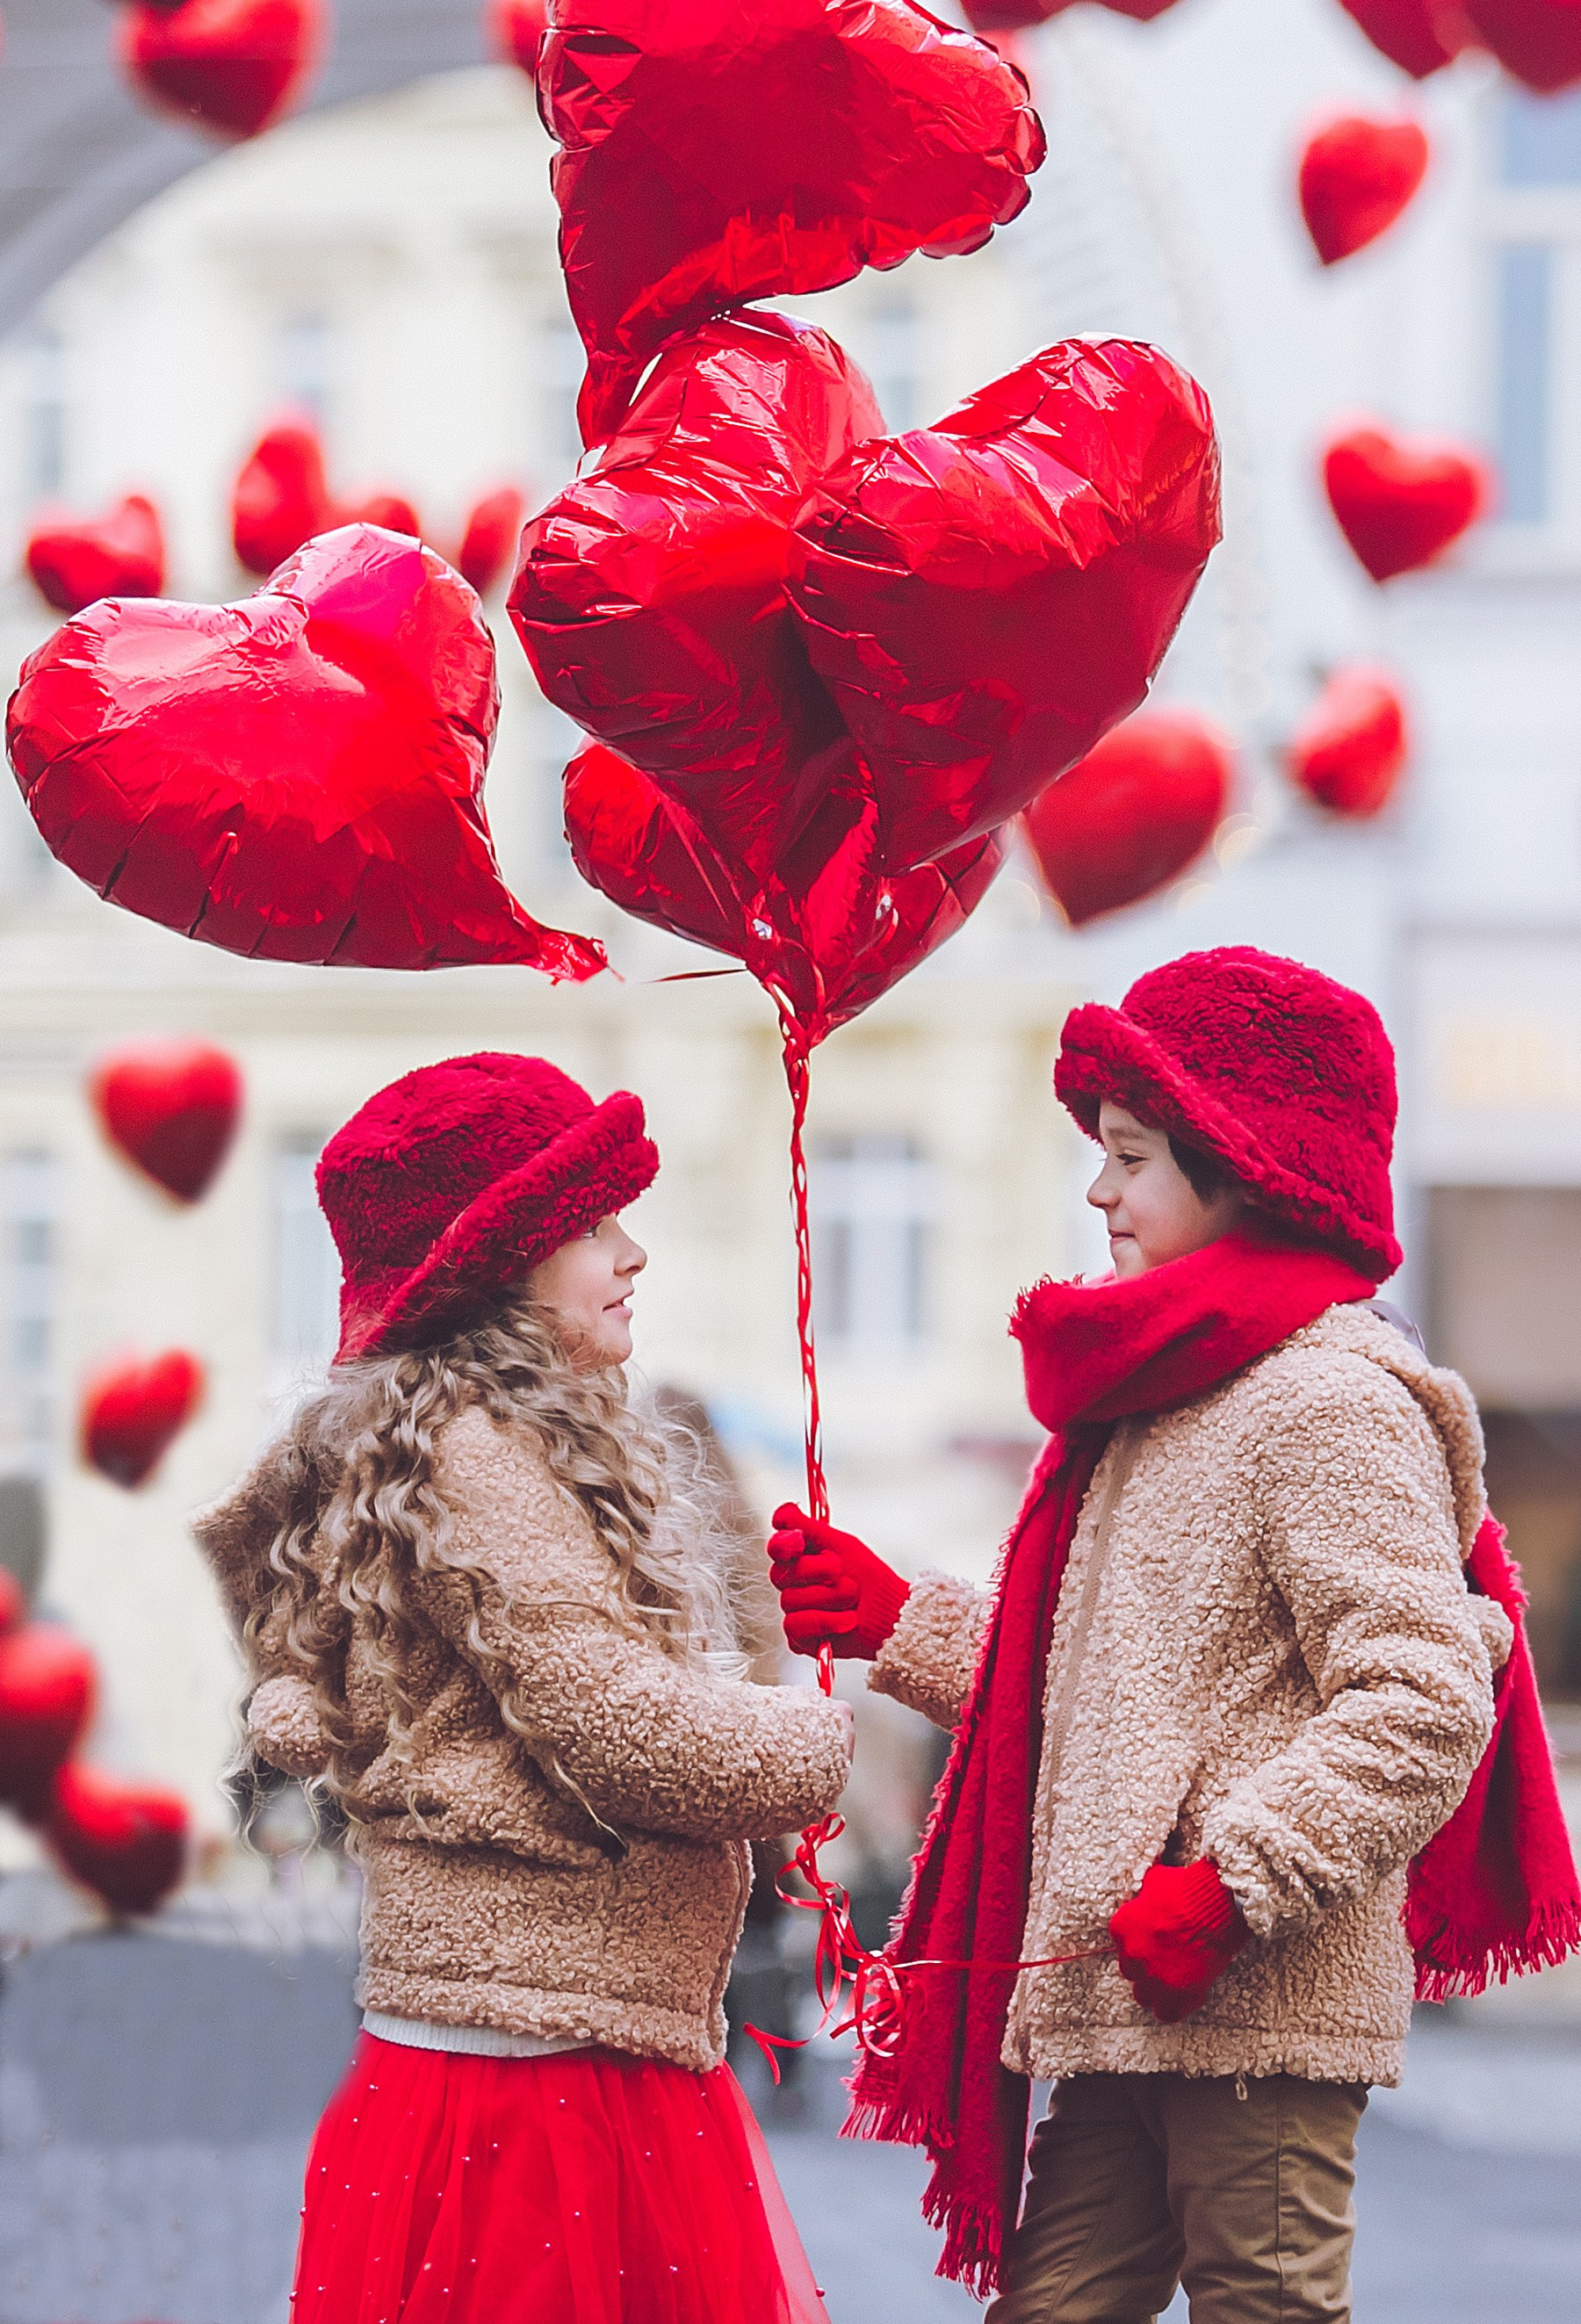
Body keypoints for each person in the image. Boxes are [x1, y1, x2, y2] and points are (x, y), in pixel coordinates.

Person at [769, 947, 1579, 2324]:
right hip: (1119, 2002)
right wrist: (900, 1618)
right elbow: (1107, 1701)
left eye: (1133, 1155)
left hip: (1252, 2005)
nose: (1098, 1191)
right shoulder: (1160, 1401)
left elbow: (1432, 1693)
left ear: (1242, 1162)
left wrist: (1229, 1889)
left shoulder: (1331, 1397)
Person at [196, 1051, 852, 2324]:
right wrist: (811, 1738)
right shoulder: (480, 1451)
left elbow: (346, 1696)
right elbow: (621, 1728)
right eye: (595, 1223)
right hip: (545, 2082)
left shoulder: (450, 1444)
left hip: (526, 2043)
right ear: (499, 1262)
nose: (634, 1251)